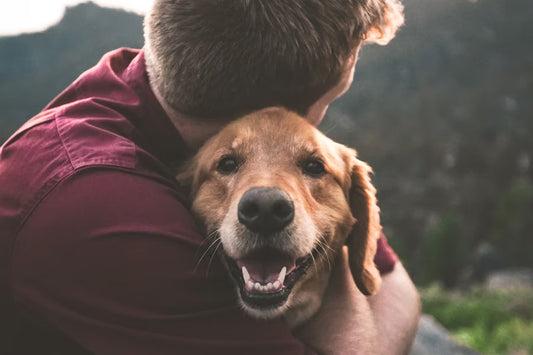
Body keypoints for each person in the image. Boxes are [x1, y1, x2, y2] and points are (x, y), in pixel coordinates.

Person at [0, 0, 420, 354]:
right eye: (333, 96)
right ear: (274, 108)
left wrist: (339, 252)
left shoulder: (151, 88)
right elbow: (386, 297)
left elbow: (392, 280)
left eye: (310, 165)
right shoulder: (99, 206)